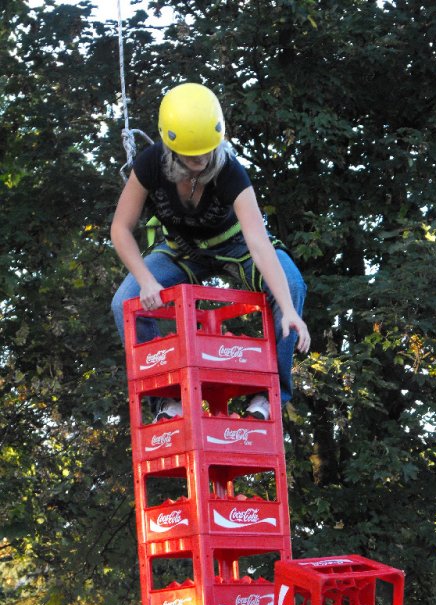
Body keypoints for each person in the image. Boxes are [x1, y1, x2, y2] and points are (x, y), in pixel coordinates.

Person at [111, 82, 310, 423]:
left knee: (290, 285)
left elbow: (259, 242)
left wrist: (289, 310)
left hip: (236, 245)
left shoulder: (229, 170)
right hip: (181, 250)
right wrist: (145, 281)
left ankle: (268, 395)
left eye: (206, 150)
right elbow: (120, 229)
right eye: (191, 155)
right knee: (123, 303)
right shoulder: (149, 165)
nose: (200, 161)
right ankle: (167, 400)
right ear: (171, 148)